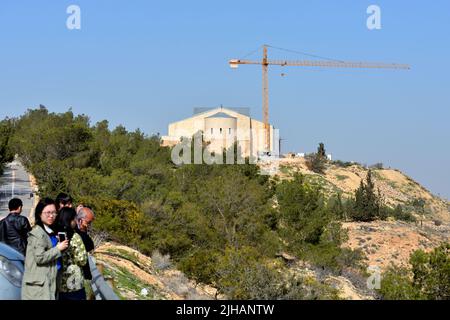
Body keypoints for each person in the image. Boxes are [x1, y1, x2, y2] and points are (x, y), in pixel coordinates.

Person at [22, 198, 69, 300]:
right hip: (39, 288)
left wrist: (62, 246)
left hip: (51, 281)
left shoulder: (51, 231)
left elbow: (54, 254)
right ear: (39, 214)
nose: (51, 216)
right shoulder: (37, 233)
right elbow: (40, 257)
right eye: (47, 213)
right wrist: (58, 249)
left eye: (54, 213)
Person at [56, 207, 88, 300]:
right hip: (75, 284)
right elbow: (82, 260)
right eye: (74, 219)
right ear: (70, 220)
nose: (76, 221)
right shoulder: (75, 237)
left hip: (60, 284)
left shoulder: (56, 235)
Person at [75, 206, 95, 281]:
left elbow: (91, 246)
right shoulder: (76, 231)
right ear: (80, 220)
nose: (88, 225)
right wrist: (83, 231)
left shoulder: (83, 229)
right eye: (88, 222)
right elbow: (89, 246)